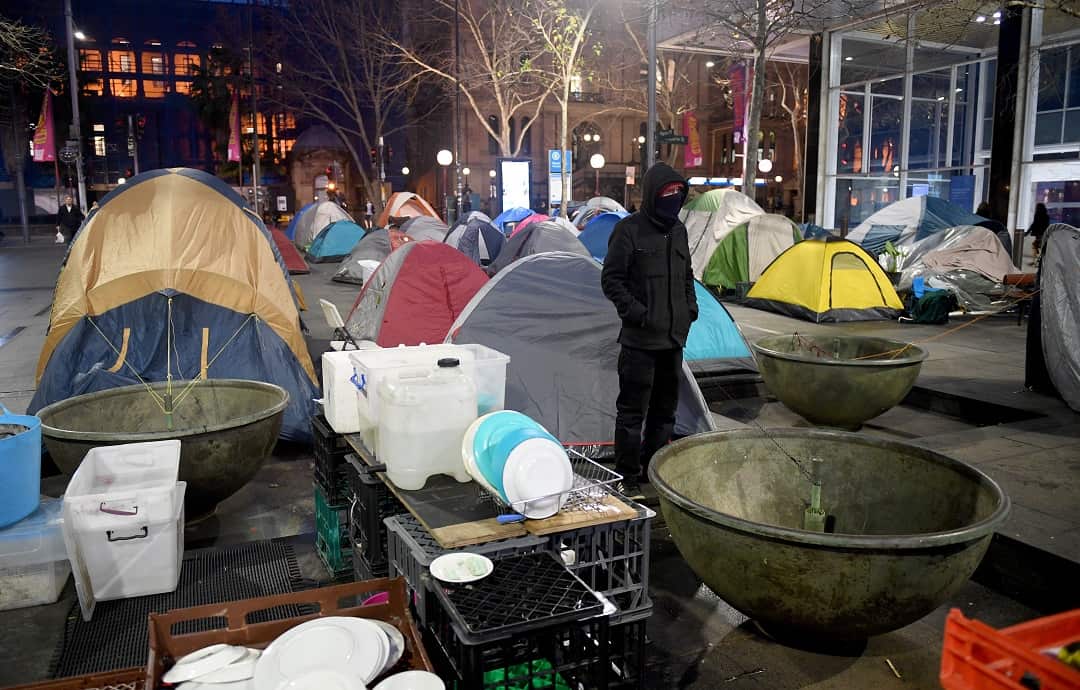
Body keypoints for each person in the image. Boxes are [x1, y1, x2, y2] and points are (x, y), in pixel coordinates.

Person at [600, 162, 696, 495]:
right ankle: (626, 476)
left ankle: (653, 469)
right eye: (668, 193)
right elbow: (611, 279)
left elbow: (686, 276)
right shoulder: (629, 230)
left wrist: (689, 308)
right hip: (640, 342)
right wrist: (637, 313)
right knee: (631, 412)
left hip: (672, 340)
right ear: (653, 194)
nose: (674, 198)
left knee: (665, 412)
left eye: (678, 193)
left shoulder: (679, 230)